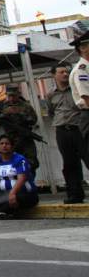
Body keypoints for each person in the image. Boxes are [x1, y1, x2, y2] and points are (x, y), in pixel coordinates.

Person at [48, 63, 88, 204]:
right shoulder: (51, 94)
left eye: (67, 72)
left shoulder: (76, 89)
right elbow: (51, 112)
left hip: (79, 128)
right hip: (62, 130)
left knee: (87, 158)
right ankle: (75, 194)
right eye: (61, 72)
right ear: (54, 75)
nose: (65, 74)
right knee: (70, 163)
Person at [0, 135, 39, 219]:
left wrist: (12, 193)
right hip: (3, 194)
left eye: (7, 144)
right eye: (1, 144)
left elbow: (22, 178)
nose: (4, 146)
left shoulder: (20, 159)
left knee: (18, 197)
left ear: (12, 146)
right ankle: (5, 213)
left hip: (24, 194)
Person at [0, 87, 40, 175]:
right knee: (11, 162)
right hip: (10, 139)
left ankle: (30, 183)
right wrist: (5, 114)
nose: (12, 98)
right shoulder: (2, 106)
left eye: (14, 96)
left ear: (18, 95)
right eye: (10, 96)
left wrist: (20, 114)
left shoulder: (25, 105)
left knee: (31, 162)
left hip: (25, 138)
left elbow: (33, 119)